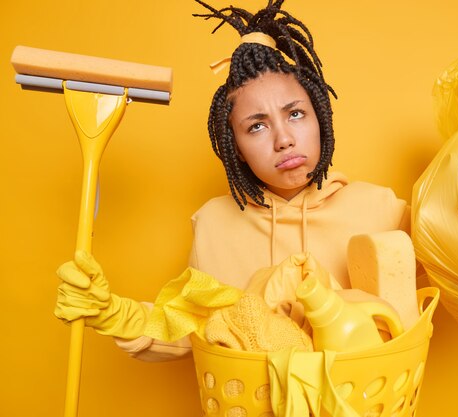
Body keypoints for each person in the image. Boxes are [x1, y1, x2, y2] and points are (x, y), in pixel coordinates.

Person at [54, 0, 410, 361]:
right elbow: (193, 329)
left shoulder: (381, 210)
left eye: (296, 114)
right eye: (256, 126)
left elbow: (449, 282)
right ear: (235, 148)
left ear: (319, 118)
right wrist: (115, 314)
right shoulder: (214, 224)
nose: (283, 139)